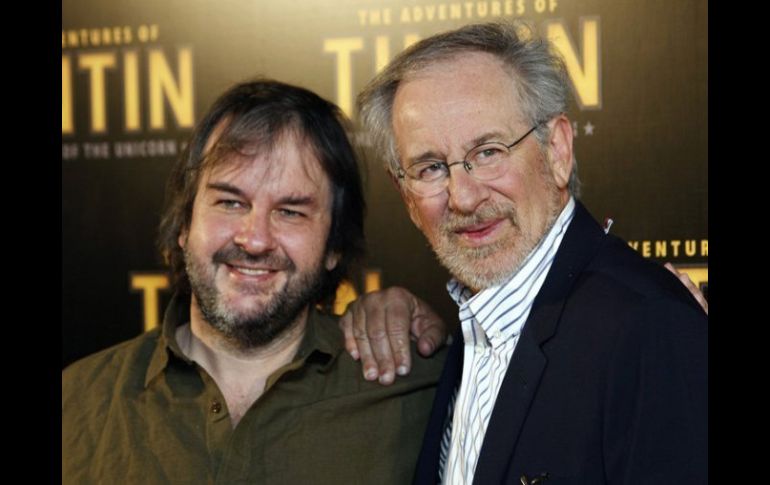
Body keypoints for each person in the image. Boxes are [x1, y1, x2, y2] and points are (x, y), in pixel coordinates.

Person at [351, 21, 707, 483]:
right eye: (431, 167)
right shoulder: (468, 326)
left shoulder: (648, 324)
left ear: (557, 150)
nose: (463, 196)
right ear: (405, 196)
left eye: (489, 152)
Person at [61, 79, 446, 484]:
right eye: (230, 202)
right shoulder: (77, 403)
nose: (256, 239)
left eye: (291, 212)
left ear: (334, 246)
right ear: (184, 224)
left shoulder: (423, 394)